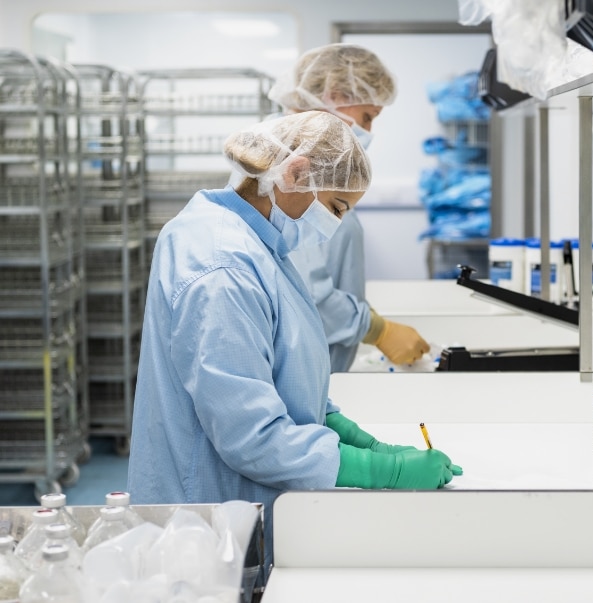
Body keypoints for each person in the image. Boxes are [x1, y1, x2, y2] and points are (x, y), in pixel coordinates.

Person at [127, 111, 462, 566]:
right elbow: (252, 436)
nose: (336, 224)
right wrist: (382, 470)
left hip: (240, 505)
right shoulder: (222, 267)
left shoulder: (255, 241)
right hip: (209, 522)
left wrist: (352, 436)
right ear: (297, 174)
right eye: (337, 207)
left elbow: (273, 373)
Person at [267, 43, 430, 372]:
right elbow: (304, 294)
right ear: (335, 94)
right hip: (300, 372)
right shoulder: (289, 167)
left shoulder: (304, 158)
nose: (368, 131)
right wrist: (376, 329)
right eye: (367, 116)